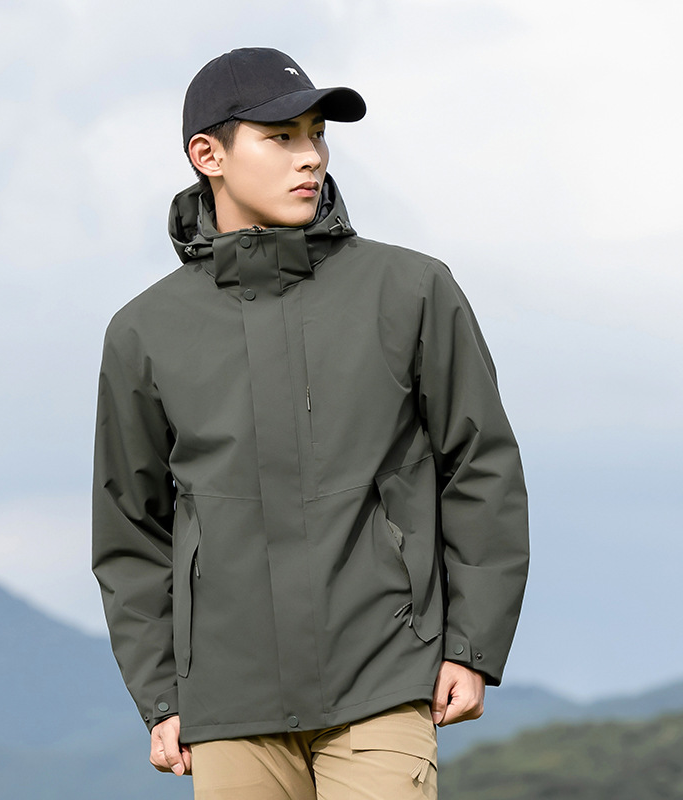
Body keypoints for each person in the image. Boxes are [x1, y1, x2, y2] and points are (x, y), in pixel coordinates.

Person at [92, 47, 529, 800]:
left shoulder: (412, 290)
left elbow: (481, 467)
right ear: (208, 155)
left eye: (317, 134)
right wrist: (161, 694)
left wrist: (472, 645)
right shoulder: (144, 332)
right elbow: (131, 528)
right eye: (282, 137)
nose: (312, 157)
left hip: (384, 674)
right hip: (229, 701)